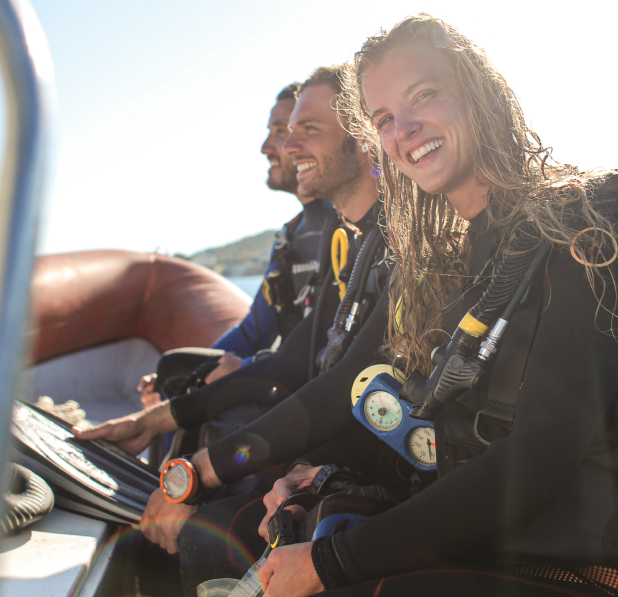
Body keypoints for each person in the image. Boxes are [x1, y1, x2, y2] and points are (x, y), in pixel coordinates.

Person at [250, 15, 618, 597]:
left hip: (578, 570)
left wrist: (332, 563)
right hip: (492, 552)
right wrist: (320, 478)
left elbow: (540, 456)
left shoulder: (590, 224)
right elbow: (442, 442)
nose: (406, 128)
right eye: (384, 119)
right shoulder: (450, 265)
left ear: (477, 93)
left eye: (424, 95)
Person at [73, 66, 386, 567]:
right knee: (182, 387)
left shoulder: (394, 243)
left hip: (367, 459)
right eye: (287, 131)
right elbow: (293, 360)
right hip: (330, 440)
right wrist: (155, 418)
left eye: (304, 130)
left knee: (207, 535)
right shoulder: (353, 241)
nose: (284, 146)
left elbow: (333, 384)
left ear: (365, 137)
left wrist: (196, 475)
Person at [138, 83, 331, 420]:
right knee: (172, 369)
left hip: (313, 393)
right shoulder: (289, 238)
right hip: (282, 376)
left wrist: (247, 367)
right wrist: (183, 378)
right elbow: (254, 332)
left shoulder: (348, 229)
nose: (267, 147)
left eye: (281, 130)